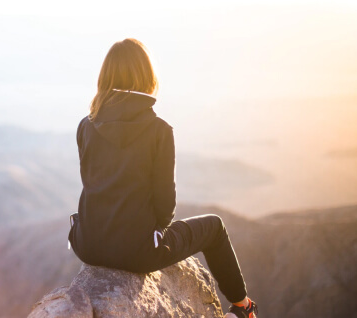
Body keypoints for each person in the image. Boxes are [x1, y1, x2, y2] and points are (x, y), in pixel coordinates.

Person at [67, 38, 259, 318]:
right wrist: (150, 235)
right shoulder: (159, 130)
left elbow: (92, 184)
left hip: (87, 246)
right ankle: (243, 307)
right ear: (147, 77)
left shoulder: (86, 125)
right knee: (214, 227)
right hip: (138, 253)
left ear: (105, 78)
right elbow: (165, 205)